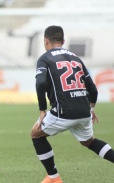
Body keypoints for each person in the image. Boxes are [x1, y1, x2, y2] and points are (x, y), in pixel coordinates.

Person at [31, 25, 114, 183]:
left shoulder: (44, 58)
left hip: (63, 111)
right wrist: (91, 108)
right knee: (89, 141)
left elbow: (40, 83)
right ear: (63, 41)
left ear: (45, 41)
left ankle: (54, 177)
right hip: (84, 111)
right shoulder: (76, 58)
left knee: (36, 134)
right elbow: (93, 89)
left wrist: (42, 110)